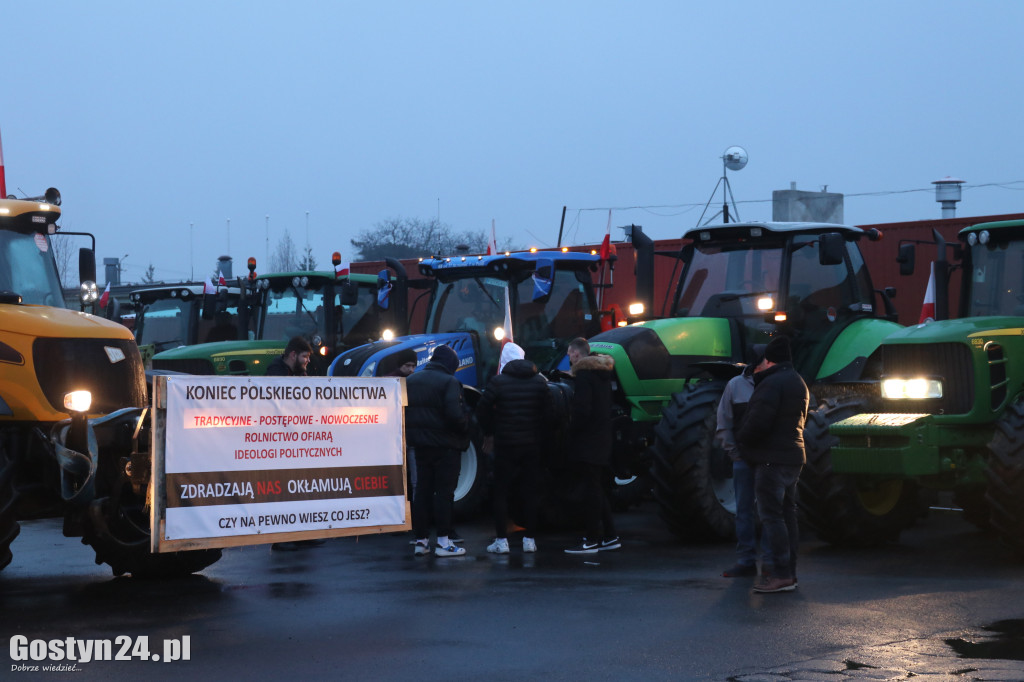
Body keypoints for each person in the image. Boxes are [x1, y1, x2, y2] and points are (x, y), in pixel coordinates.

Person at [737, 336, 810, 593]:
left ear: (768, 360)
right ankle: (790, 573)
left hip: (771, 460)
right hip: (792, 457)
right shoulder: (798, 381)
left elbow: (757, 422)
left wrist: (741, 442)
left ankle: (780, 575)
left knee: (772, 518)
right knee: (788, 516)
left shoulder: (771, 384)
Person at [476, 342, 551, 554]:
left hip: (505, 444)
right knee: (530, 491)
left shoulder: (498, 382)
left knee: (500, 492)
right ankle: (530, 540)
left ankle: (502, 541)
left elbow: (482, 408)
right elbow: (550, 413)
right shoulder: (539, 382)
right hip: (531, 445)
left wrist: (490, 430)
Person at [406, 345, 470, 557]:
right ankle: (443, 541)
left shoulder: (412, 380)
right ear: (450, 364)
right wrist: (465, 427)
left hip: (420, 446)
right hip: (445, 446)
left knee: (422, 492)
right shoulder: (450, 382)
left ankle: (421, 541)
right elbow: (454, 415)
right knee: (444, 493)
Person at [563, 337, 619, 555]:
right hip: (602, 438)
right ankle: (611, 536)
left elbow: (582, 410)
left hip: (588, 442)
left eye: (569, 353)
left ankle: (591, 540)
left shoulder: (585, 375)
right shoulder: (602, 374)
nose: (568, 357)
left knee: (591, 491)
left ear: (577, 354)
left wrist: (570, 430)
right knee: (597, 487)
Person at [267, 335, 322, 551]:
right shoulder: (275, 372)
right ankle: (280, 538)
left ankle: (303, 533)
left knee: (301, 487)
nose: (307, 361)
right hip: (280, 440)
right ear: (292, 355)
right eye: (305, 357)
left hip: (296, 439)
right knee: (283, 490)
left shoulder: (296, 372)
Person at [715, 345, 763, 578]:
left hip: (769, 459)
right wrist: (734, 453)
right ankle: (746, 560)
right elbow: (723, 421)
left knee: (772, 511)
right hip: (744, 459)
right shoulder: (735, 385)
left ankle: (774, 563)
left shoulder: (776, 383)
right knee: (744, 510)